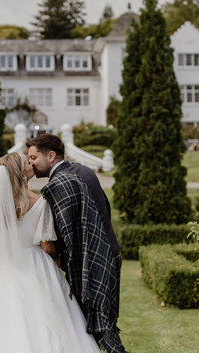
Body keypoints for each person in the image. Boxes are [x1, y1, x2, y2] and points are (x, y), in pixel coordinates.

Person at [0, 152, 101, 353]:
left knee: (0, 327)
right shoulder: (40, 202)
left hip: (3, 268)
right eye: (27, 162)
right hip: (36, 267)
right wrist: (59, 260)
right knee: (50, 322)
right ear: (21, 173)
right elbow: (46, 245)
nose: (32, 164)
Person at [27, 134, 126, 353]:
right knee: (105, 321)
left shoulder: (60, 183)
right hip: (110, 250)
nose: (31, 163)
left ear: (51, 156)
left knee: (98, 325)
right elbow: (104, 211)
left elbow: (68, 231)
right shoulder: (83, 171)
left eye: (34, 157)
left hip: (91, 261)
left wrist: (59, 257)